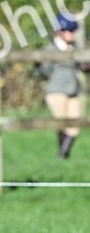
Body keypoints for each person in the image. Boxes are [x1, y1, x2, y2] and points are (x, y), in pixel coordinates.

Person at [35, 14, 86, 159]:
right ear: (60, 32)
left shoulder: (75, 47)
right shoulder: (51, 48)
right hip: (57, 90)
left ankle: (62, 155)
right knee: (62, 124)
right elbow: (44, 71)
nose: (72, 34)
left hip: (74, 90)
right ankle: (62, 157)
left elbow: (81, 66)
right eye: (69, 31)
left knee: (74, 127)